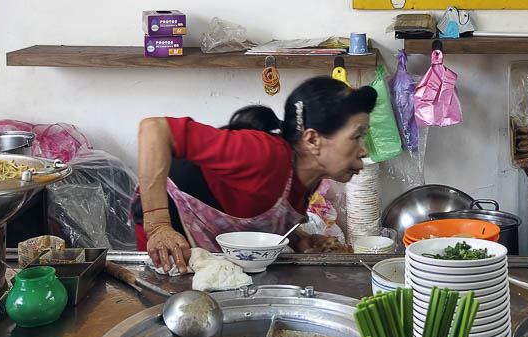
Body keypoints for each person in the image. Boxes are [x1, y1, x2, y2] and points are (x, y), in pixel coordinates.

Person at [137, 75, 376, 271]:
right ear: (313, 139)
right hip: (172, 228)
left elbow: (259, 213)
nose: (363, 150)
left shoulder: (309, 177)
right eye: (356, 136)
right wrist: (158, 225)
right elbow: (154, 130)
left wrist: (298, 239)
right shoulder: (262, 154)